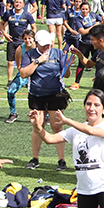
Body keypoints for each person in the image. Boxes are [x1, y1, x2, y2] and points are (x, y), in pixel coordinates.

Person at [19, 30, 71, 171]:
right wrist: (37, 61)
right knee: (37, 126)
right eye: (43, 45)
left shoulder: (58, 53)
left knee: (57, 126)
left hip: (56, 94)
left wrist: (67, 64)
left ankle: (61, 160)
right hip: (37, 94)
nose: (46, 47)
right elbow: (23, 74)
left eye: (48, 44)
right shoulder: (29, 55)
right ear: (36, 43)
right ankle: (35, 158)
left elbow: (66, 74)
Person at [5, 30, 35, 123]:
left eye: (30, 38)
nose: (27, 40)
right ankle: (13, 113)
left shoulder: (39, 47)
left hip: (38, 74)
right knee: (10, 91)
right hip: (25, 74)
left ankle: (46, 115)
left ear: (34, 39)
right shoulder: (19, 49)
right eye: (25, 38)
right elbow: (19, 66)